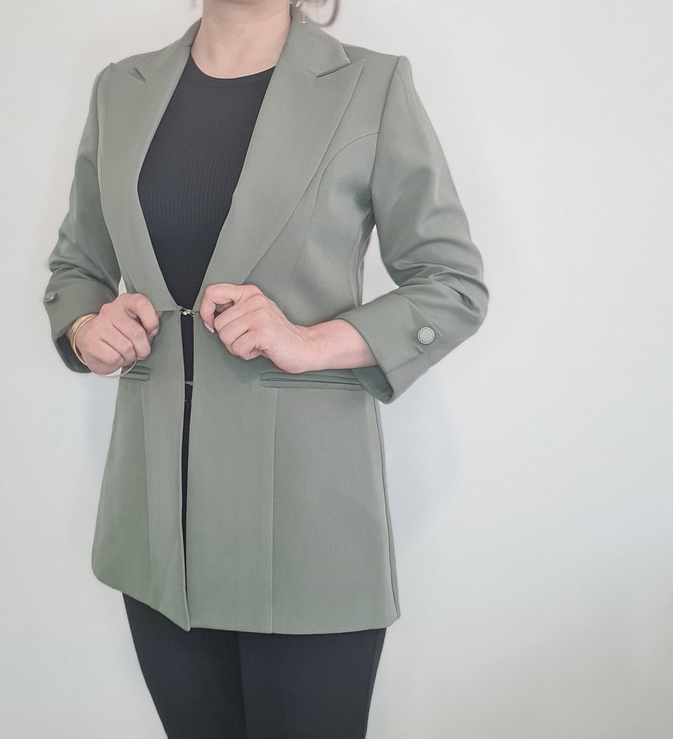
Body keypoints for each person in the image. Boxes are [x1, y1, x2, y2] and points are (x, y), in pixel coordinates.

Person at [43, 0, 488, 736]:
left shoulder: (372, 86)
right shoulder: (119, 88)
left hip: (307, 524)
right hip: (157, 528)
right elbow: (77, 268)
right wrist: (89, 326)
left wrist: (310, 342)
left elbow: (452, 284)